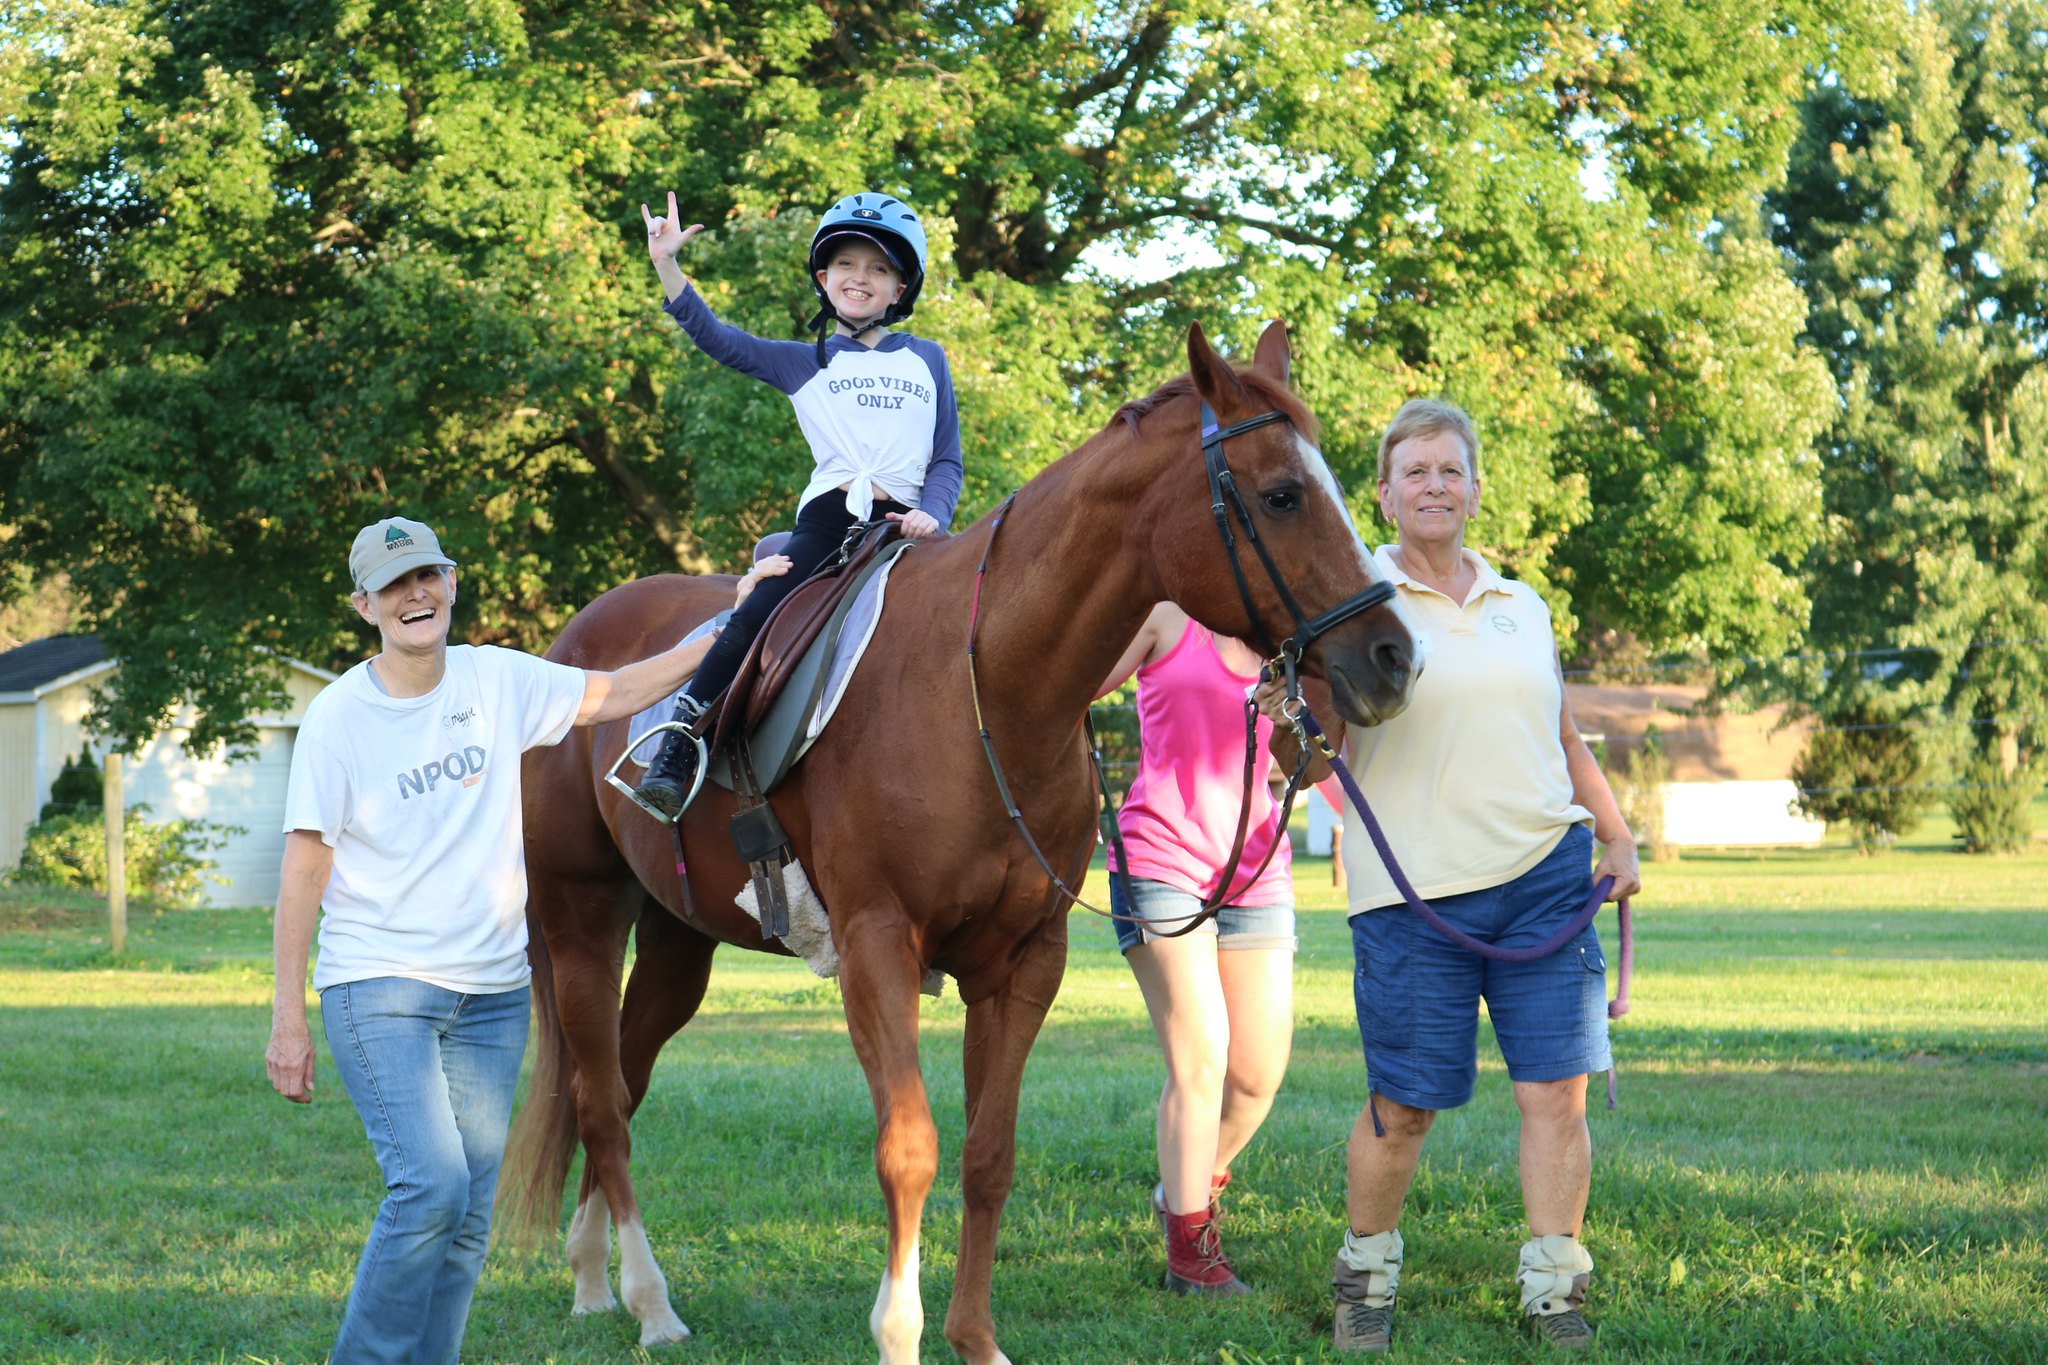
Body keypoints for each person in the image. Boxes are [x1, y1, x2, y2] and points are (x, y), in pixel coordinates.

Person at [262, 515, 770, 1365]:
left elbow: (619, 691)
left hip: (491, 996)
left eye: (426, 575)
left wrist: (733, 621)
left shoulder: (496, 679)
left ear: (451, 582)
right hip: (379, 987)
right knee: (429, 1186)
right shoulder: (338, 719)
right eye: (393, 584)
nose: (414, 594)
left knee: (466, 1222)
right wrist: (287, 1015)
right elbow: (303, 871)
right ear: (364, 605)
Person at [1324, 400, 1642, 1353]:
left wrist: (1617, 832)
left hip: (1545, 876)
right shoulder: (1354, 604)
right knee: (1405, 1103)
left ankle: (1555, 1284)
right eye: (1413, 471)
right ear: (1383, 493)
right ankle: (1365, 1276)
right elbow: (1312, 756)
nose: (1433, 486)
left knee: (1556, 1089)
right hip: (1412, 895)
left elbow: (1562, 731)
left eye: (1449, 470)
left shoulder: (1523, 603)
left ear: (1473, 487)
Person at [630, 189, 962, 820]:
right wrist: (667, 265)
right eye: (846, 265)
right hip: (833, 521)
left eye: (878, 269)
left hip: (911, 524)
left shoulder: (928, 359)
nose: (859, 278)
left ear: (899, 290)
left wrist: (936, 515)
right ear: (823, 279)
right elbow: (718, 338)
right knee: (759, 611)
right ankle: (677, 747)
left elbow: (947, 457)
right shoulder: (801, 360)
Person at [1097, 603, 1321, 1296]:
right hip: (1161, 857)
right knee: (1200, 1058)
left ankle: (1182, 1188)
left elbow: (1309, 773)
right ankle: (1191, 1253)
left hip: (1256, 867)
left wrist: (1291, 721)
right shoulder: (1167, 616)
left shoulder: (1286, 640)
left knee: (1255, 1077)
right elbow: (1070, 680)